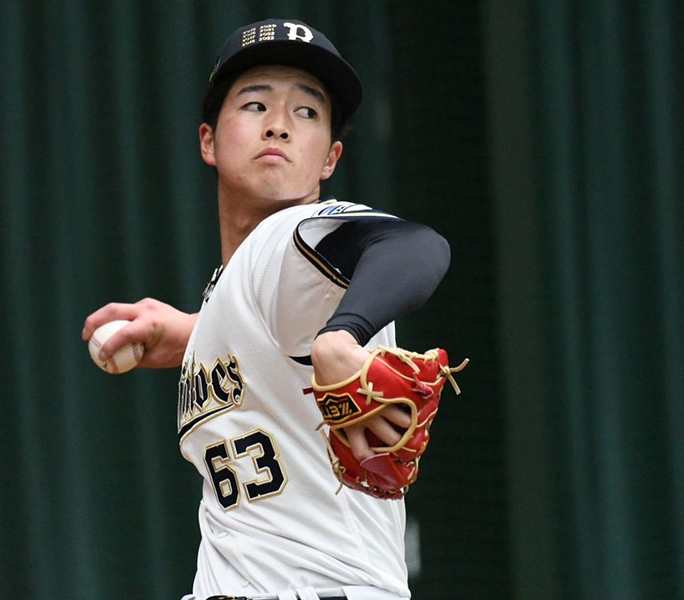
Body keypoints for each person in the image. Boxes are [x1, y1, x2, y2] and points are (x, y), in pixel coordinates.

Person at [82, 18, 451, 600]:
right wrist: (196, 332)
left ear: (330, 158)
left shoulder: (295, 233)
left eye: (306, 112)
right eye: (255, 104)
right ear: (208, 139)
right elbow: (271, 315)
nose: (279, 124)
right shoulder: (246, 280)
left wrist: (342, 338)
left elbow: (416, 245)